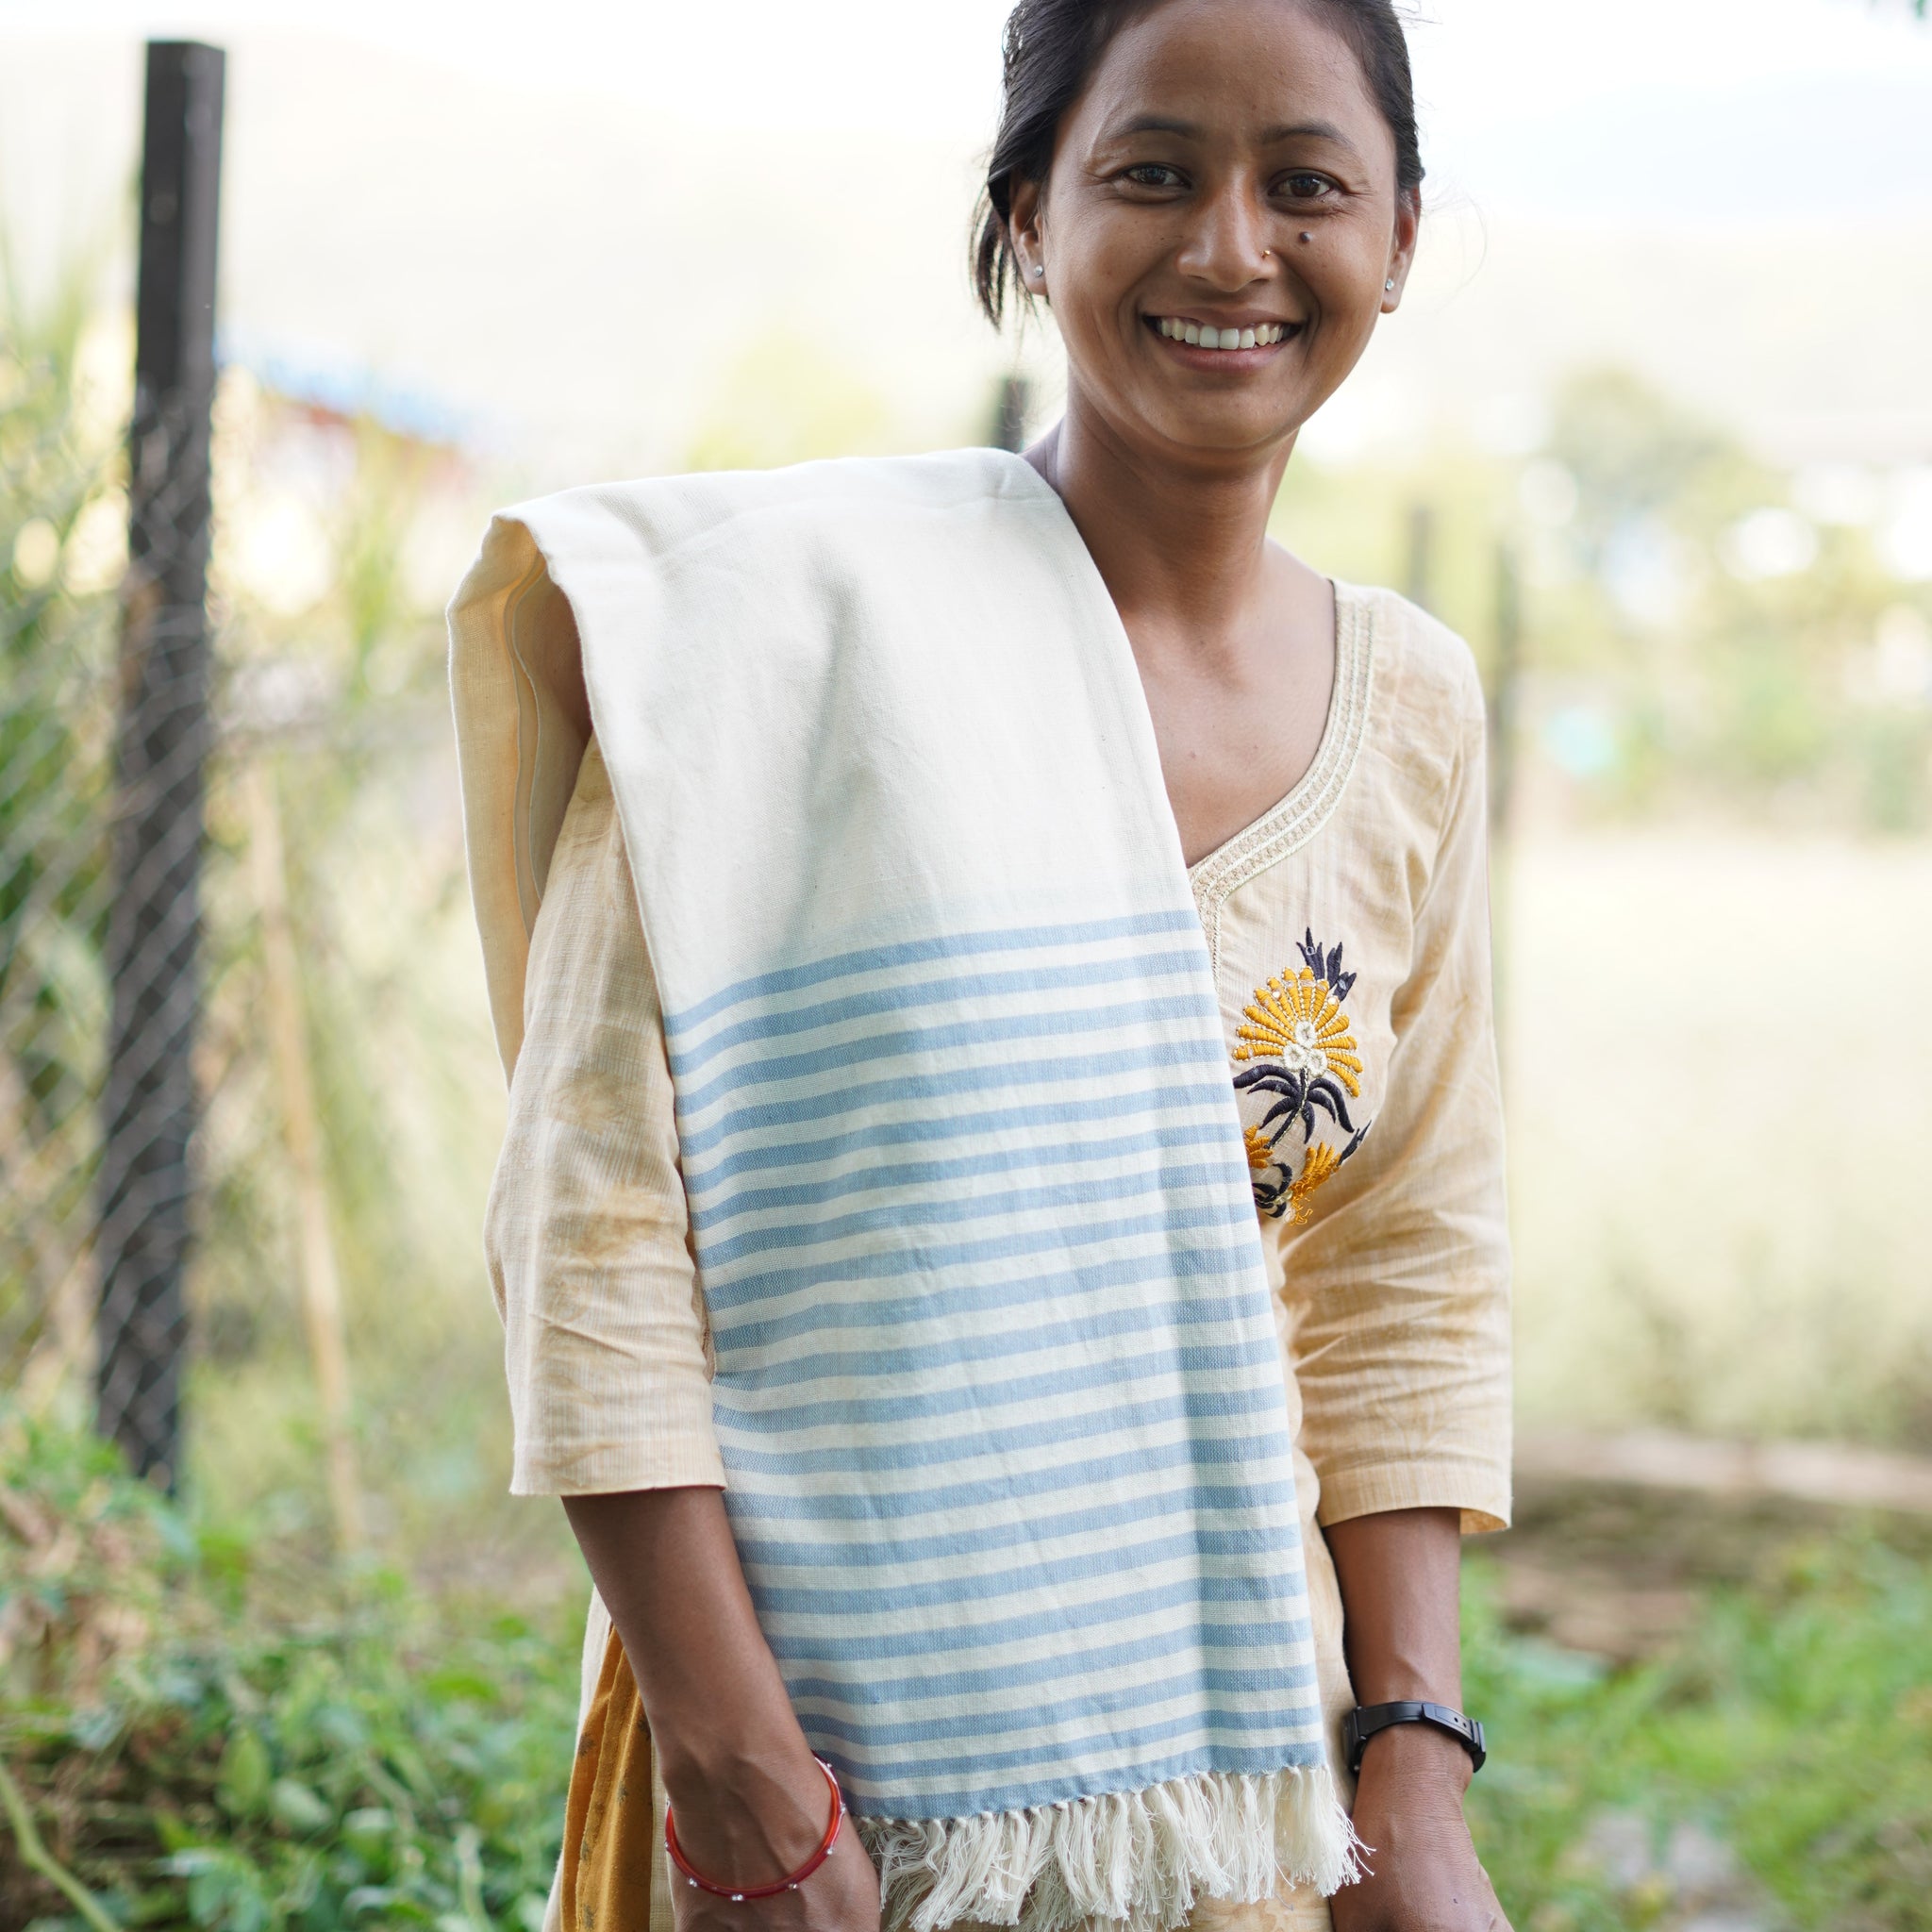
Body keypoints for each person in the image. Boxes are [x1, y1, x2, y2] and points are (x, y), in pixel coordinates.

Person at [449, 3, 1512, 1931]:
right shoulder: (778, 643)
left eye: (1306, 186)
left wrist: (1413, 1774)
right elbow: (590, 1233)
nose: (1231, 251)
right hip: (813, 1793)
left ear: (1399, 240)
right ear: (1028, 218)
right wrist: (748, 1786)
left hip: (1238, 1792)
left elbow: (1401, 1269)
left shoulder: (1408, 706)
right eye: (1152, 174)